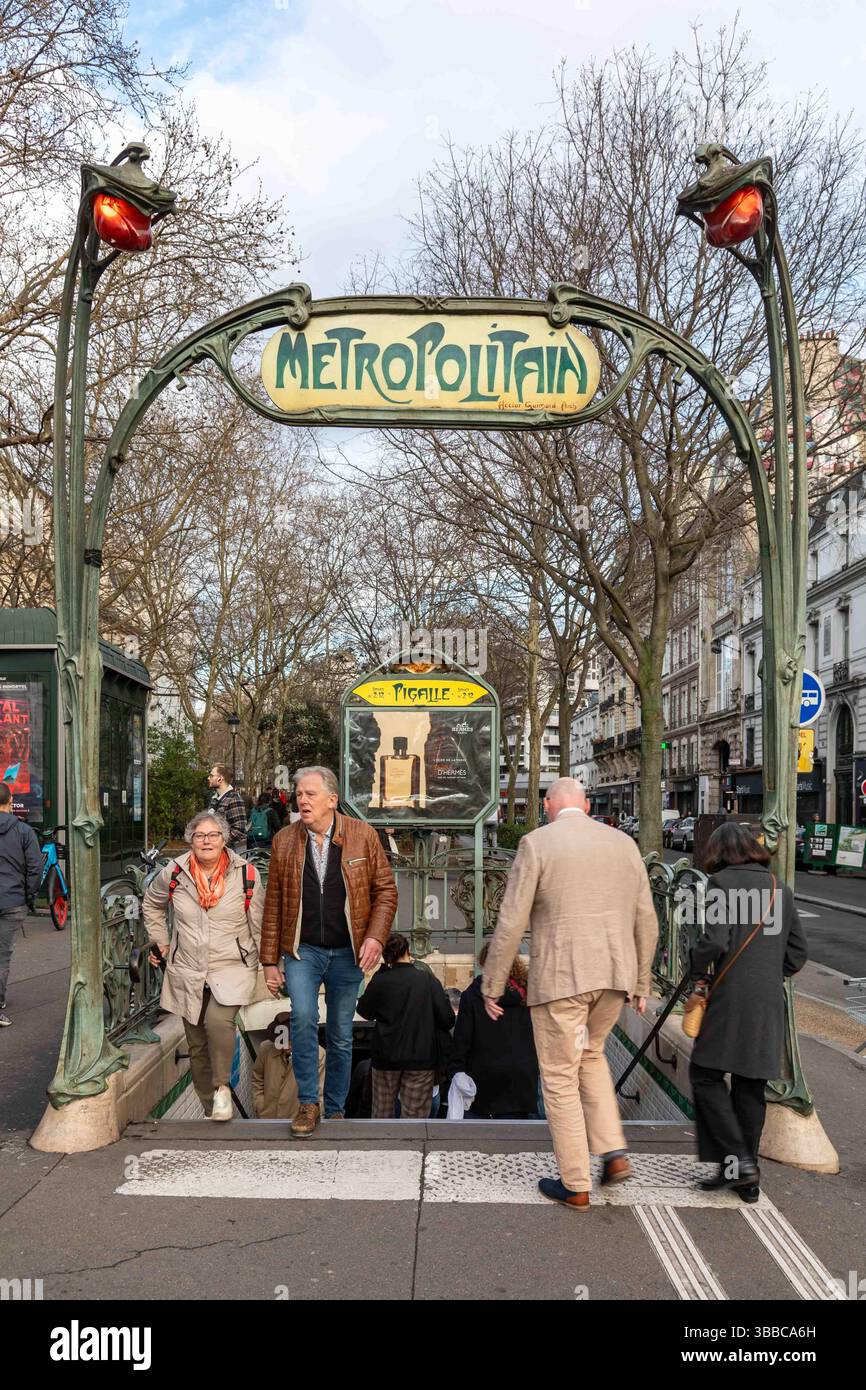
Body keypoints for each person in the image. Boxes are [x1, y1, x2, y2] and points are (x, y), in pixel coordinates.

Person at [481, 777, 658, 1209]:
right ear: (587, 805)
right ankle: (613, 1152)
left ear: (548, 805)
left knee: (559, 1076)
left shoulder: (536, 844)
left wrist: (493, 983)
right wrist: (641, 981)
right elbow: (647, 919)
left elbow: (511, 921)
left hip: (562, 978)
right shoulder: (624, 844)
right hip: (614, 976)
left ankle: (576, 1181)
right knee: (591, 1056)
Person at [259, 766, 398, 1137]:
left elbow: (386, 892)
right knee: (303, 1019)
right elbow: (273, 903)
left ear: (332, 800)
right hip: (302, 951)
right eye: (299, 795)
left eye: (311, 794)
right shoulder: (284, 840)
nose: (302, 801)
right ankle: (309, 1103)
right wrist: (269, 961)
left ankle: (335, 1109)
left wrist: (375, 938)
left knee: (340, 1033)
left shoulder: (362, 835)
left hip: (348, 952)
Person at [686, 822, 808, 1204]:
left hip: (730, 997)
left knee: (705, 1074)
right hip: (767, 1000)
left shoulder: (721, 884)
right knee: (750, 1087)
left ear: (719, 852)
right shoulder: (778, 888)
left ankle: (736, 1160)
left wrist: (696, 965)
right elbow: (798, 952)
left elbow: (714, 941)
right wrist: (768, 973)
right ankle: (745, 1179)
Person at [143, 810, 265, 1120]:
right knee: (196, 1045)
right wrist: (161, 942)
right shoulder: (174, 872)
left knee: (218, 1021)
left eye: (213, 835)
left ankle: (222, 1087)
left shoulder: (246, 874)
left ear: (224, 840)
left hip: (232, 966)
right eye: (200, 836)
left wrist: (269, 967)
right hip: (188, 968)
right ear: (191, 840)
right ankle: (211, 1109)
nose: (206, 841)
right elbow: (152, 903)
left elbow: (260, 925)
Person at [356, 933, 455, 1119]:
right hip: (421, 1058)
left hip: (385, 1057)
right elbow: (447, 1019)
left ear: (385, 955)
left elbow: (364, 1010)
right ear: (408, 951)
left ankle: (384, 1139)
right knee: (414, 1119)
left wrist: (381, 973)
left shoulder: (381, 980)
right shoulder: (427, 980)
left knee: (382, 1114)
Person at [448, 943, 539, 1118]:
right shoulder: (528, 994)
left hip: (481, 1076)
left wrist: (456, 1069)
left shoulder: (473, 995)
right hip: (521, 1078)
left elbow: (462, 1039)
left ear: (483, 963)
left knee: (480, 1131)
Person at [0, 782, 41, 1027]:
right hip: (12, 900)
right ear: (10, 800)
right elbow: (35, 867)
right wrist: (28, 895)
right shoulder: (24, 831)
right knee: (2, 955)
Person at [251, 1011, 325, 1119]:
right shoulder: (265, 1048)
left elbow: (320, 1093)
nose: (286, 1047)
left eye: (291, 1041)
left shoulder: (318, 1054)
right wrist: (259, 1105)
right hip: (268, 1117)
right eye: (282, 1042)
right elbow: (257, 1079)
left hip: (298, 1119)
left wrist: (312, 1119)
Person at [207, 764, 247, 855]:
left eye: (211, 776)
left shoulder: (234, 798)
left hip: (232, 854)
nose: (208, 778)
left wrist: (218, 843)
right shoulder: (215, 799)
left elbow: (239, 830)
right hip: (218, 853)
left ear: (220, 779)